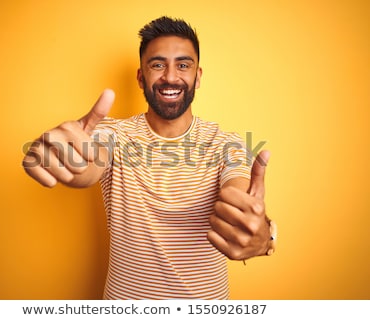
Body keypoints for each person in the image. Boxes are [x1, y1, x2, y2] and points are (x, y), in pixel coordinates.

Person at [23, 16, 276, 299]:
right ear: (141, 77)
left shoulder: (226, 144)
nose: (170, 76)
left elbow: (239, 194)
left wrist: (262, 233)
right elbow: (89, 162)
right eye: (158, 65)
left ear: (198, 76)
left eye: (183, 65)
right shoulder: (112, 135)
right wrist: (62, 156)